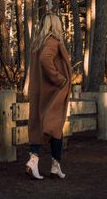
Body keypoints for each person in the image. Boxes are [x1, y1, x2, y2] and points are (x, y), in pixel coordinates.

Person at [26, 12, 72, 180]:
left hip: (40, 92)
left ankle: (44, 163)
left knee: (42, 126)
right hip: (52, 92)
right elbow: (46, 60)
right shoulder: (52, 41)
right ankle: (52, 164)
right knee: (55, 127)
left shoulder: (38, 43)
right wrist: (60, 80)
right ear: (55, 25)